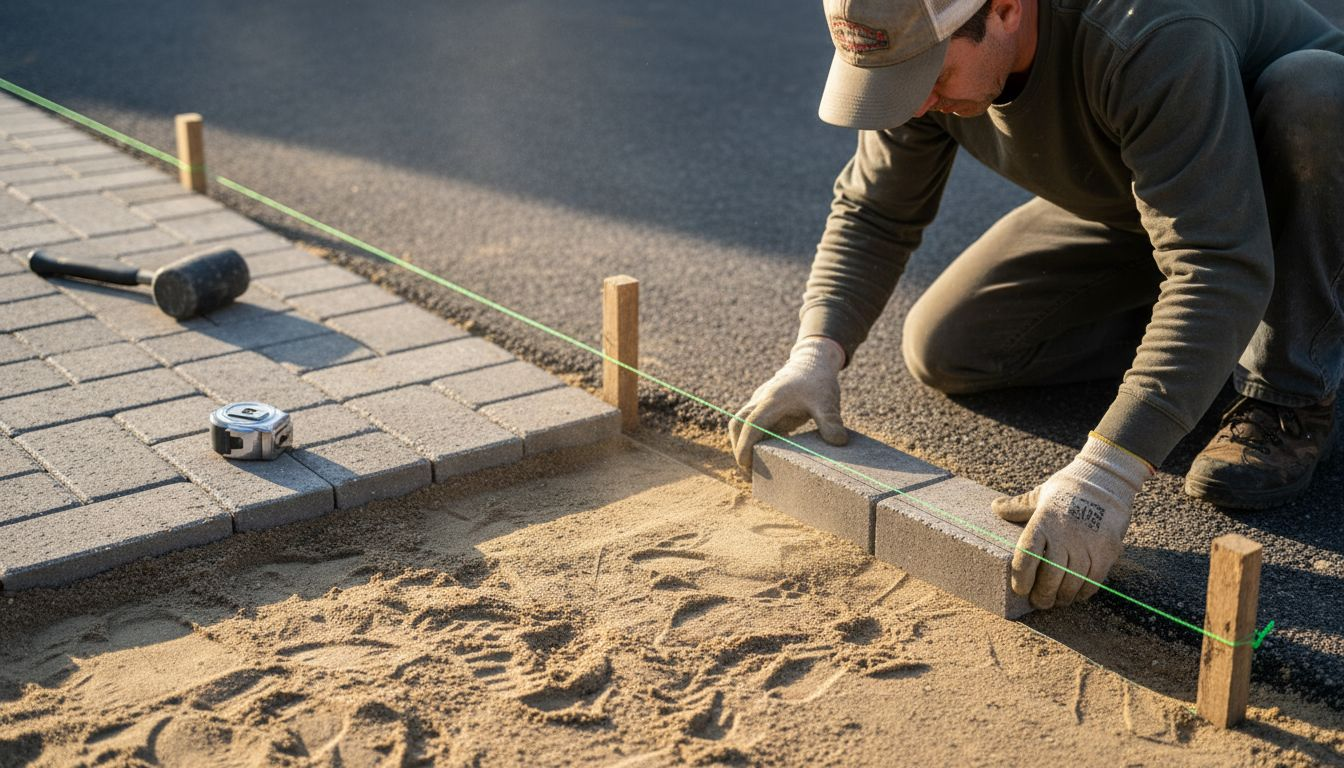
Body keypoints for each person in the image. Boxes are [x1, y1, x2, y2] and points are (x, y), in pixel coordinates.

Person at [729, 0, 1344, 610]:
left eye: (932, 79)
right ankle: (1204, 344)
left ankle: (1290, 389)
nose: (915, 104)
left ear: (1005, 10)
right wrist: (816, 351)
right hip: (1164, 197)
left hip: (1308, 191)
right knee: (952, 347)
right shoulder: (918, 53)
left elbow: (1216, 261)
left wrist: (1110, 471)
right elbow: (875, 212)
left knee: (1314, 92)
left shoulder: (1146, 35)